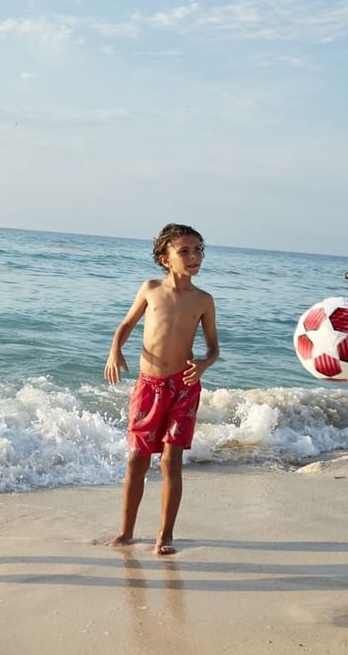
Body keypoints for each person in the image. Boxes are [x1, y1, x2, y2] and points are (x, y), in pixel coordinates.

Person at [102, 223, 219, 555]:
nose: (194, 256)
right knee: (137, 459)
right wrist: (115, 350)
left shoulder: (204, 300)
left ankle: (164, 536)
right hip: (148, 387)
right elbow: (125, 325)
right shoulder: (151, 289)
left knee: (171, 460)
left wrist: (205, 364)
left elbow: (213, 348)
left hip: (184, 387)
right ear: (164, 258)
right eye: (184, 251)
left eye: (198, 250)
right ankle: (125, 532)